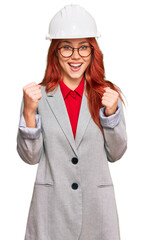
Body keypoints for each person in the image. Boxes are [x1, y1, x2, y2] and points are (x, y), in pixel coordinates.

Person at [16, 4, 127, 240]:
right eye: (67, 48)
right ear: (55, 52)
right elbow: (30, 157)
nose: (76, 57)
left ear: (92, 51)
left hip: (97, 211)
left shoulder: (106, 94)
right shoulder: (38, 96)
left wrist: (111, 112)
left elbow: (116, 153)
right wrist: (28, 112)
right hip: (51, 211)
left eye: (83, 48)